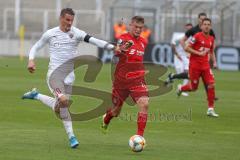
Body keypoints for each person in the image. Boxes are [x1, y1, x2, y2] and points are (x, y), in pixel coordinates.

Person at [21, 8, 115, 148]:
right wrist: (31, 60)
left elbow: (95, 41)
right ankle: (72, 137)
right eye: (67, 20)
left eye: (71, 20)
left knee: (59, 108)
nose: (69, 23)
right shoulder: (50, 34)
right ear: (61, 18)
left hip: (69, 77)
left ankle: (36, 95)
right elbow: (36, 46)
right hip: (54, 76)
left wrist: (113, 47)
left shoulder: (76, 33)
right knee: (64, 102)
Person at [101, 16, 149, 137]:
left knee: (144, 104)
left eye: (140, 28)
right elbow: (117, 51)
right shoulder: (123, 38)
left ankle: (139, 137)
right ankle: (107, 118)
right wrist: (122, 49)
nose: (138, 30)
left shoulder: (144, 42)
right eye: (136, 27)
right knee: (116, 112)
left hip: (137, 80)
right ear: (130, 26)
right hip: (121, 81)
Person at [177, 18, 219, 117]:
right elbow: (187, 47)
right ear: (201, 26)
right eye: (205, 24)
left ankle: (210, 109)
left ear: (210, 26)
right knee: (193, 88)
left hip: (205, 66)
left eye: (208, 24)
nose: (207, 26)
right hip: (195, 66)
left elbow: (211, 52)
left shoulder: (211, 39)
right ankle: (181, 88)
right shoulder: (197, 36)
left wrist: (215, 62)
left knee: (211, 84)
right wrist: (198, 53)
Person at [165, 23, 193, 96]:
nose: (189, 30)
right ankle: (171, 76)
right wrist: (176, 54)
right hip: (179, 57)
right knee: (180, 72)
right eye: (188, 28)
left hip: (186, 57)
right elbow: (173, 44)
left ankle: (183, 89)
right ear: (186, 29)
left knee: (188, 74)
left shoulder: (193, 38)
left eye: (190, 28)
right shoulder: (181, 37)